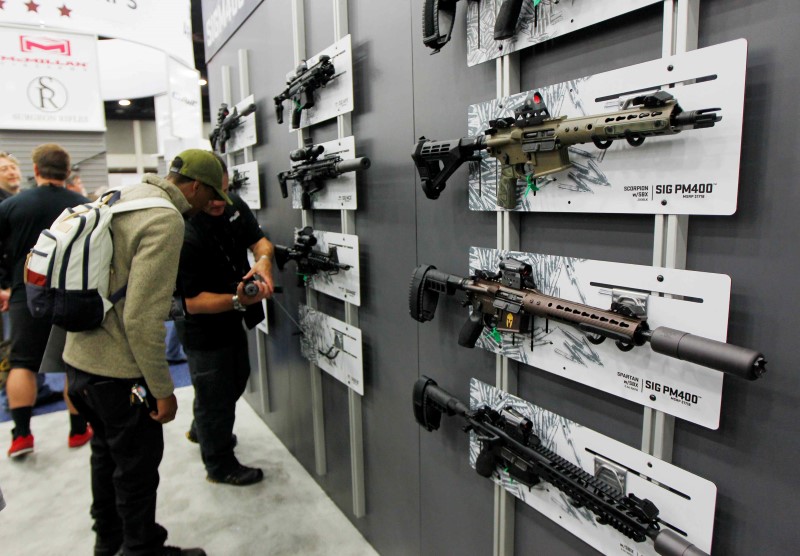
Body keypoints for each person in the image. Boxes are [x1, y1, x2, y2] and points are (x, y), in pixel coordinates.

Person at [62, 149, 225, 556]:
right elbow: (140, 319)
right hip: (118, 373)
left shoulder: (124, 196)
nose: (213, 203)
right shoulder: (165, 219)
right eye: (212, 194)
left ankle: (109, 541)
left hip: (80, 362)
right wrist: (162, 390)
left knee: (105, 456)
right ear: (195, 187)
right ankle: (141, 549)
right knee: (136, 467)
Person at [175, 156, 274, 486]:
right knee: (216, 394)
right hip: (202, 326)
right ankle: (219, 465)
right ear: (196, 189)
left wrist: (263, 261)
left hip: (233, 315)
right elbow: (193, 303)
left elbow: (259, 240)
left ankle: (203, 428)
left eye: (225, 191)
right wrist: (237, 299)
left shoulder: (232, 204)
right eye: (214, 194)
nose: (220, 201)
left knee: (233, 381)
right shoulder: (183, 232)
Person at [0, 144, 93, 458]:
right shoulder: (85, 207)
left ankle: (22, 435)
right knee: (74, 364)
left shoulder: (12, 206)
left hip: (25, 293)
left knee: (22, 364)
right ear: (67, 173)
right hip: (74, 294)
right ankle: (78, 429)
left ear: (36, 170)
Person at [0, 151, 62, 411]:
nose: (11, 172)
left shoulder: (16, 200)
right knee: (16, 355)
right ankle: (14, 403)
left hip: (27, 287)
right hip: (11, 290)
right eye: (4, 169)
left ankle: (35, 391)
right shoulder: (8, 205)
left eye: (13, 168)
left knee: (23, 353)